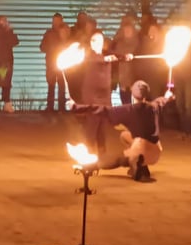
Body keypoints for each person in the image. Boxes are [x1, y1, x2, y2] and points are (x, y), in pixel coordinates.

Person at [68, 81, 175, 182]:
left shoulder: (128, 110)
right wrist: (167, 96)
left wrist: (76, 107)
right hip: (156, 152)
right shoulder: (154, 106)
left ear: (132, 96)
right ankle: (141, 164)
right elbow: (162, 100)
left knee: (119, 159)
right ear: (146, 95)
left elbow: (101, 109)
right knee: (124, 135)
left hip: (142, 150)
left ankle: (94, 166)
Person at [80, 31, 119, 159]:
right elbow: (97, 60)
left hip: (104, 97)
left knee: (102, 126)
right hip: (92, 96)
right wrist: (107, 59)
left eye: (101, 41)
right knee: (92, 125)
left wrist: (126, 56)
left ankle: (102, 153)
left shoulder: (104, 55)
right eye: (96, 41)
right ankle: (88, 152)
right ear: (91, 43)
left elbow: (114, 56)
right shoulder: (89, 55)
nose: (100, 44)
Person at [40, 13, 71, 112]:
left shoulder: (66, 31)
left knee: (62, 84)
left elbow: (70, 44)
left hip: (63, 62)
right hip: (51, 62)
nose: (55, 23)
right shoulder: (49, 33)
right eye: (54, 21)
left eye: (57, 20)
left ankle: (62, 107)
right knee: (51, 85)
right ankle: (50, 107)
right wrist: (49, 48)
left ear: (61, 20)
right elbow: (42, 47)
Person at [112, 21, 141, 104]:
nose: (127, 32)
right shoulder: (119, 44)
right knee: (125, 104)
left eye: (129, 30)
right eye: (125, 30)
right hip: (122, 82)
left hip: (134, 80)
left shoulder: (137, 44)